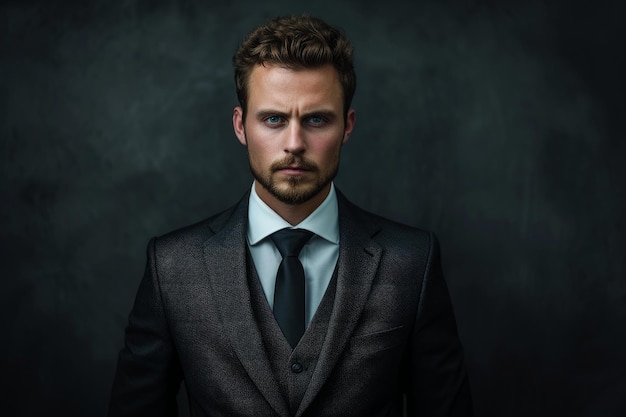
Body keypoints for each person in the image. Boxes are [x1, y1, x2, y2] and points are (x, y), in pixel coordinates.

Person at [108, 15, 473, 417]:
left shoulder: (411, 262)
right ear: (240, 126)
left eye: (316, 119)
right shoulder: (173, 266)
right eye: (274, 119)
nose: (294, 143)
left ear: (347, 126)